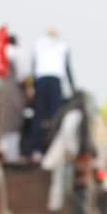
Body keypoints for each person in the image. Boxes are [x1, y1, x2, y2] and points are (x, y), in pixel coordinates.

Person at [24, 27, 75, 159]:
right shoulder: (63, 46)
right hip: (54, 82)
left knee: (38, 116)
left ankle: (35, 151)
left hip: (40, 81)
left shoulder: (38, 44)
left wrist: (31, 87)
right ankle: (50, 151)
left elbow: (33, 68)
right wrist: (73, 88)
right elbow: (67, 68)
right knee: (55, 117)